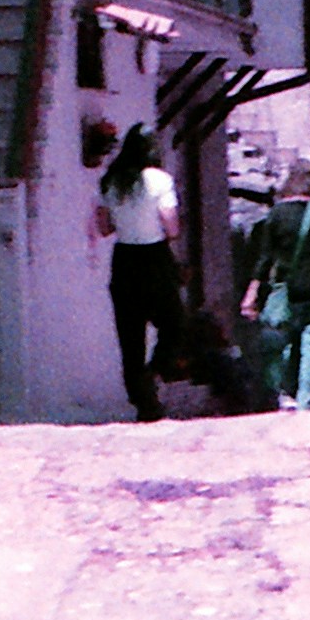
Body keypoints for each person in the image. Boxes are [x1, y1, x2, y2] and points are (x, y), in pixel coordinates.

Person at [240, 159, 310, 411]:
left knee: (287, 338)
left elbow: (265, 258)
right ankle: (306, 398)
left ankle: (286, 392)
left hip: (289, 287)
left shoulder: (277, 214)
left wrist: (252, 291)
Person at [94, 122, 183, 423]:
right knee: (173, 322)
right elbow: (171, 226)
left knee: (130, 337)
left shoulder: (110, 181)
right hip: (154, 256)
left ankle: (144, 404)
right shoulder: (159, 180)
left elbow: (104, 228)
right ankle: (156, 370)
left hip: (124, 259)